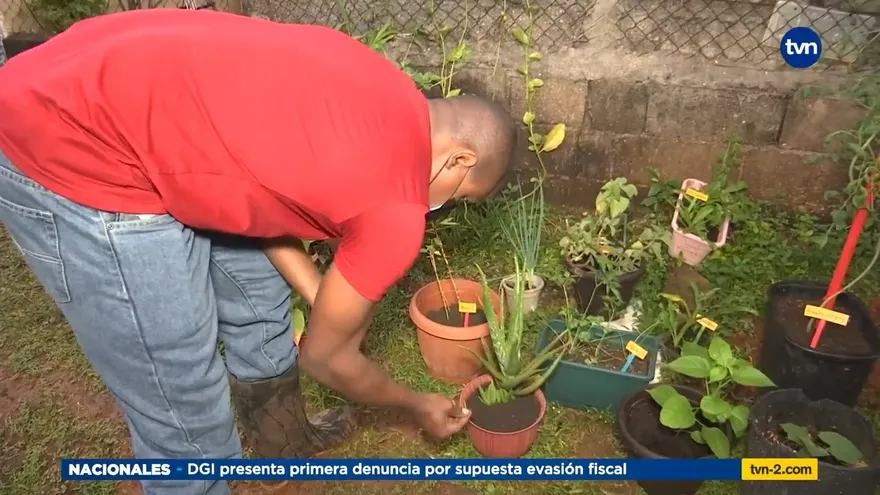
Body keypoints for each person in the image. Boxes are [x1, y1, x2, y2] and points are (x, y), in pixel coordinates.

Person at [0, 8, 515, 495]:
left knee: (259, 298)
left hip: (87, 71)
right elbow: (326, 361)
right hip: (74, 144)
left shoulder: (383, 85)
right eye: (460, 194)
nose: (442, 206)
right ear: (459, 159)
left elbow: (259, 190)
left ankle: (280, 447)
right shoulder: (397, 209)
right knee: (182, 402)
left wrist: (322, 293)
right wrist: (415, 402)